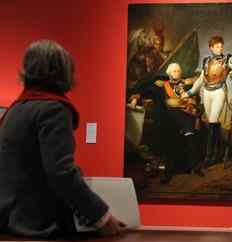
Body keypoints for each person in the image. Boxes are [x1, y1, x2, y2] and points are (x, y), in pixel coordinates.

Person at [0, 40, 126, 237]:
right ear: (63, 70)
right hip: (38, 224)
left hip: (10, 222)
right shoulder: (53, 109)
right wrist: (101, 216)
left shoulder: (15, 110)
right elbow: (61, 172)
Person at [129, 63, 204, 183]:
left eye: (178, 71)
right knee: (169, 143)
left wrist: (192, 106)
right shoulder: (162, 85)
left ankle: (195, 167)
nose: (177, 73)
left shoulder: (187, 84)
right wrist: (136, 97)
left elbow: (195, 100)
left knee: (191, 140)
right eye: (174, 71)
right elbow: (146, 90)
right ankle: (168, 173)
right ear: (169, 73)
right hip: (170, 119)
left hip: (186, 117)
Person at [182, 36, 232, 168]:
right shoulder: (206, 61)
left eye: (221, 46)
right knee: (213, 122)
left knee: (213, 121)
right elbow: (201, 79)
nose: (220, 48)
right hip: (207, 92)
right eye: (217, 46)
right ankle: (218, 151)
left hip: (219, 91)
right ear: (211, 48)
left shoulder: (229, 59)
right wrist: (189, 92)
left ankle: (209, 157)